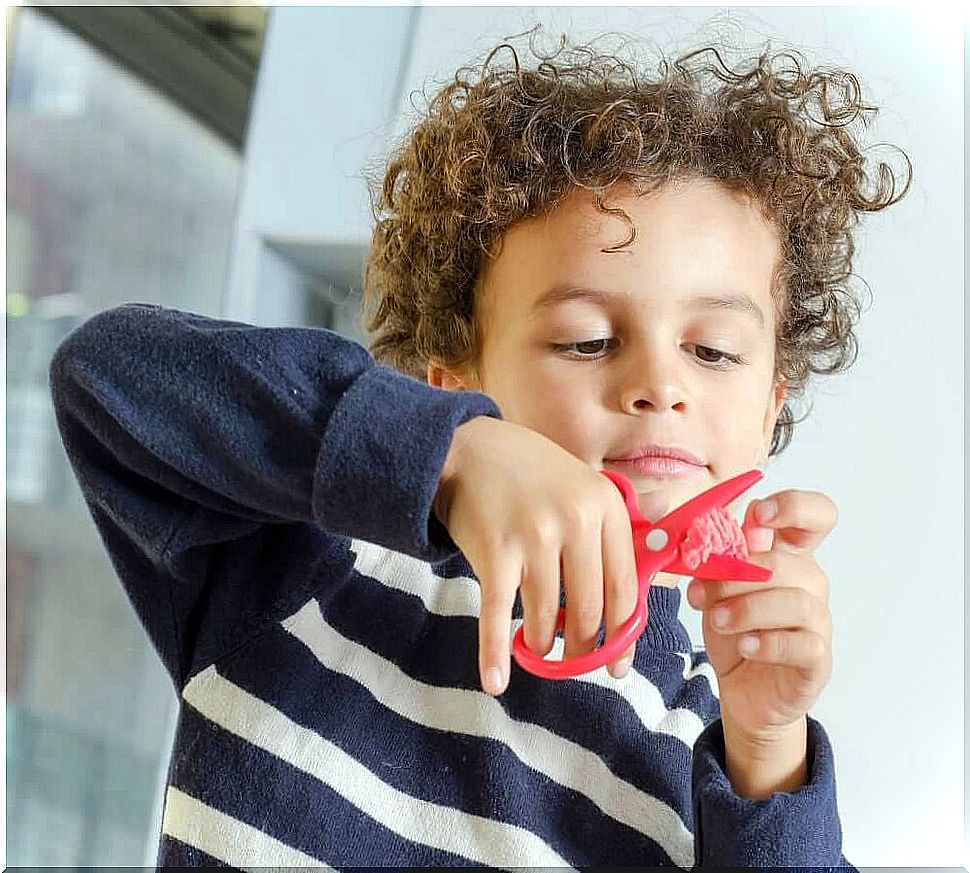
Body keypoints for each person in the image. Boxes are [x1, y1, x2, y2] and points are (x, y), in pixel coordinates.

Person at [49, 33, 910, 868]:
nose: (659, 383)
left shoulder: (716, 767)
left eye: (714, 351)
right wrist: (449, 451)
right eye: (583, 340)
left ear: (769, 410)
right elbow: (109, 375)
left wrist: (768, 753)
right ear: (455, 379)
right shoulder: (315, 575)